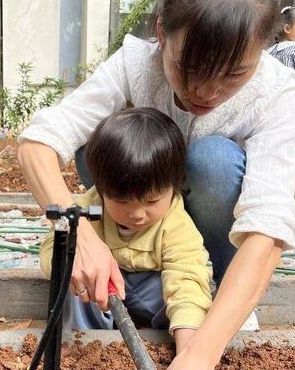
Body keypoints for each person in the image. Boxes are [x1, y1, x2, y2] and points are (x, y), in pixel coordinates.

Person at [18, 0, 295, 370]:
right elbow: (40, 143)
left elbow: (267, 227)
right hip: (127, 223)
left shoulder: (274, 92)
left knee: (211, 161)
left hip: (204, 242)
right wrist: (81, 238)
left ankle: (217, 303)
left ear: (262, 50)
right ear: (160, 34)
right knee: (104, 147)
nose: (206, 91)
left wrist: (199, 353)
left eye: (234, 73)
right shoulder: (136, 64)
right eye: (188, 68)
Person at [40, 108, 212, 335]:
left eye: (151, 201)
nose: (137, 214)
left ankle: (163, 337)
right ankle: (84, 340)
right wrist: (70, 265)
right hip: (103, 289)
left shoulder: (176, 223)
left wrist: (188, 343)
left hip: (150, 290)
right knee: (76, 282)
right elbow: (51, 247)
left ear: (174, 187)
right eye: (121, 201)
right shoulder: (90, 206)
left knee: (178, 295)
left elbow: (187, 279)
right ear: (101, 191)